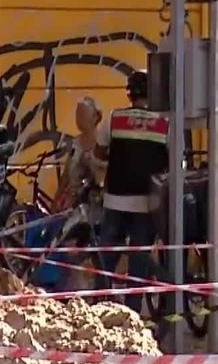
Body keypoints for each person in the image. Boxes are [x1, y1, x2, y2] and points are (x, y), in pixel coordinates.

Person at [93, 71, 170, 312]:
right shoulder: (165, 122)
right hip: (147, 203)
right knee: (138, 261)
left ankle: (100, 306)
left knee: (107, 256)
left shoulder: (113, 119)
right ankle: (133, 314)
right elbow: (173, 162)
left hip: (115, 200)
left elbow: (98, 153)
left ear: (130, 93)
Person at [56, 96, 107, 211]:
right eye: (77, 114)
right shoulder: (75, 143)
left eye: (83, 114)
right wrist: (57, 198)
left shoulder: (102, 143)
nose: (79, 119)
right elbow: (66, 174)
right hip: (74, 204)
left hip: (96, 203)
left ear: (95, 117)